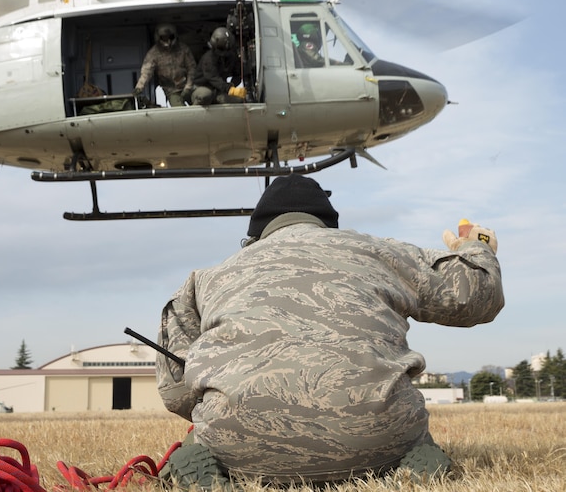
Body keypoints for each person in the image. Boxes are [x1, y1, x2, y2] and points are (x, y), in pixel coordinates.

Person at [156, 174, 504, 486]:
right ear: (329, 227)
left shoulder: (205, 280)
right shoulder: (376, 253)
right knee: (404, 439)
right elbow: (475, 297)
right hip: (380, 439)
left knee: (200, 446)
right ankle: (412, 467)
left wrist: (241, 417)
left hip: (240, 448)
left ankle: (211, 472)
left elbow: (176, 391)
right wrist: (477, 247)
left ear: (253, 238)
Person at [134, 23, 196, 107]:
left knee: (202, 99)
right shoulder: (154, 53)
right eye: (164, 37)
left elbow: (191, 68)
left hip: (188, 86)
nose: (168, 41)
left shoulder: (183, 49)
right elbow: (146, 72)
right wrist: (139, 87)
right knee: (179, 109)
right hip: (172, 90)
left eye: (170, 37)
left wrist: (188, 86)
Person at [191, 27, 247, 106]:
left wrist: (232, 85)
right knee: (205, 95)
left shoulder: (231, 56)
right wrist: (229, 89)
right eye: (221, 48)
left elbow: (238, 73)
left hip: (218, 90)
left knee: (239, 100)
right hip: (201, 87)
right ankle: (195, 113)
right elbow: (213, 78)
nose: (224, 52)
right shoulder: (208, 58)